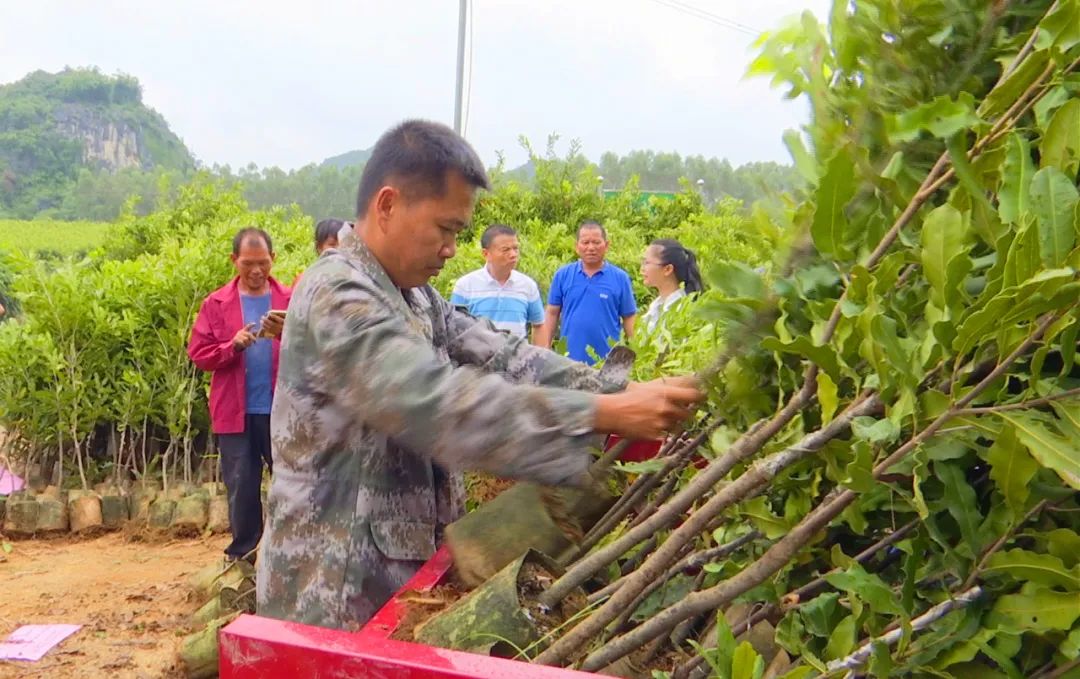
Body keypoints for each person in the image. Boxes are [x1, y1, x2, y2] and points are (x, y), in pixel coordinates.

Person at [256, 119, 702, 631]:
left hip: (393, 582)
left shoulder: (414, 294)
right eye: (445, 229)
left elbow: (503, 353)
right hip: (332, 594)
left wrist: (619, 389)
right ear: (387, 205)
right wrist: (599, 413)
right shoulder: (338, 293)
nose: (450, 249)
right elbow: (436, 402)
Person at [188, 228, 292, 564]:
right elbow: (199, 354)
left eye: (263, 262)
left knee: (292, 483)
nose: (257, 270)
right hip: (235, 412)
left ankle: (290, 552)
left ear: (273, 259)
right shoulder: (216, 304)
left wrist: (285, 335)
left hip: (282, 410)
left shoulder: (291, 301)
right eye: (248, 263)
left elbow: (317, 349)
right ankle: (243, 556)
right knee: (242, 486)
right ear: (235, 261)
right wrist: (230, 346)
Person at [534, 222, 637, 365]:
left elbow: (629, 317)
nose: (591, 248)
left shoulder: (620, 278)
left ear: (606, 245)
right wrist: (544, 348)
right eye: (585, 242)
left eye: (596, 242)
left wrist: (637, 351)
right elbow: (552, 313)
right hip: (568, 360)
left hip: (608, 362)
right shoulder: (563, 275)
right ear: (577, 246)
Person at [449, 224, 544, 341]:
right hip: (478, 357)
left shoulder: (528, 285)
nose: (513, 254)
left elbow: (538, 324)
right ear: (486, 254)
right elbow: (454, 328)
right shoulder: (465, 286)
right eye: (506, 250)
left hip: (516, 357)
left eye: (515, 248)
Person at [640, 238, 703, 332]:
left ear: (668, 269)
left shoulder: (681, 309)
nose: (642, 269)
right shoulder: (656, 305)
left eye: (647, 263)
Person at [292, 219, 352, 287]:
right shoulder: (305, 279)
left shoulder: (356, 279)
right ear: (319, 247)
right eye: (332, 244)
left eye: (343, 244)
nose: (338, 249)